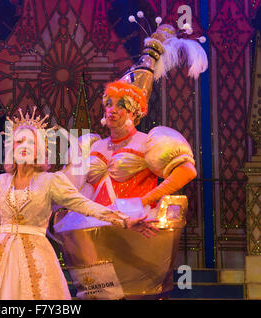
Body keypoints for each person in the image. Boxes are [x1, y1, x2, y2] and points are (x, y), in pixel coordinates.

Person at [0, 107, 158, 300]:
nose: (24, 145)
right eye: (19, 141)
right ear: (11, 147)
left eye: (30, 142)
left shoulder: (51, 182)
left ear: (40, 149)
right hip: (1, 258)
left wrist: (124, 220)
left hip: (37, 257)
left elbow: (85, 205)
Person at [55, 22, 207, 299]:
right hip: (96, 229)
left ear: (135, 111)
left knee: (136, 293)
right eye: (109, 104)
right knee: (100, 294)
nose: (112, 110)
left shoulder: (148, 141)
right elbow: (69, 184)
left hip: (134, 229)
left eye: (120, 105)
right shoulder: (92, 144)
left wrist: (147, 201)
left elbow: (186, 171)